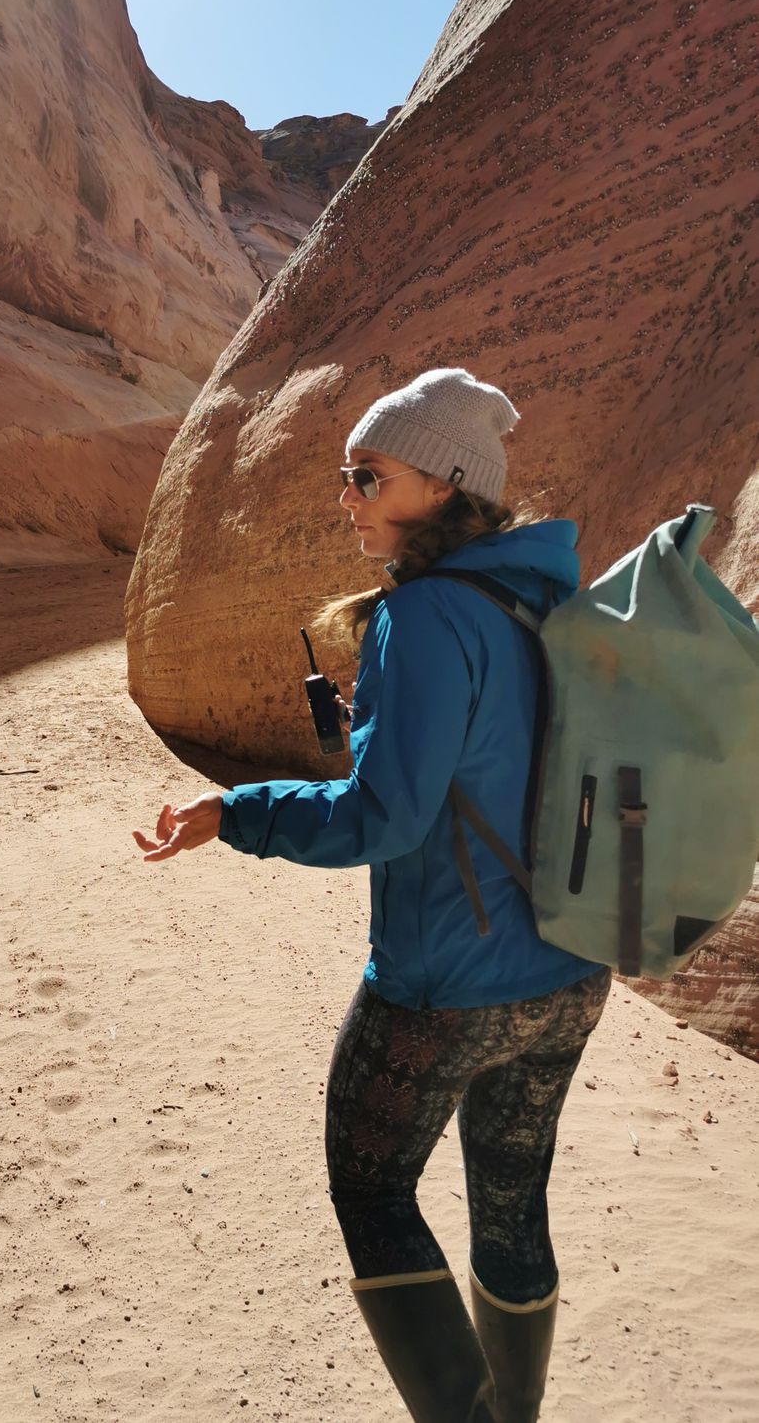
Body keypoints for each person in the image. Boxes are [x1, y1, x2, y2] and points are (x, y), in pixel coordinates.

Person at [133, 368, 612, 1423]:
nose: (345, 496)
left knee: (372, 1187)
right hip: (572, 968)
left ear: (442, 484)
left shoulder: (429, 615)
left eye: (368, 476)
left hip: (448, 978)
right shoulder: (542, 596)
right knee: (511, 1207)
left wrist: (239, 813)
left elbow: (383, 820)